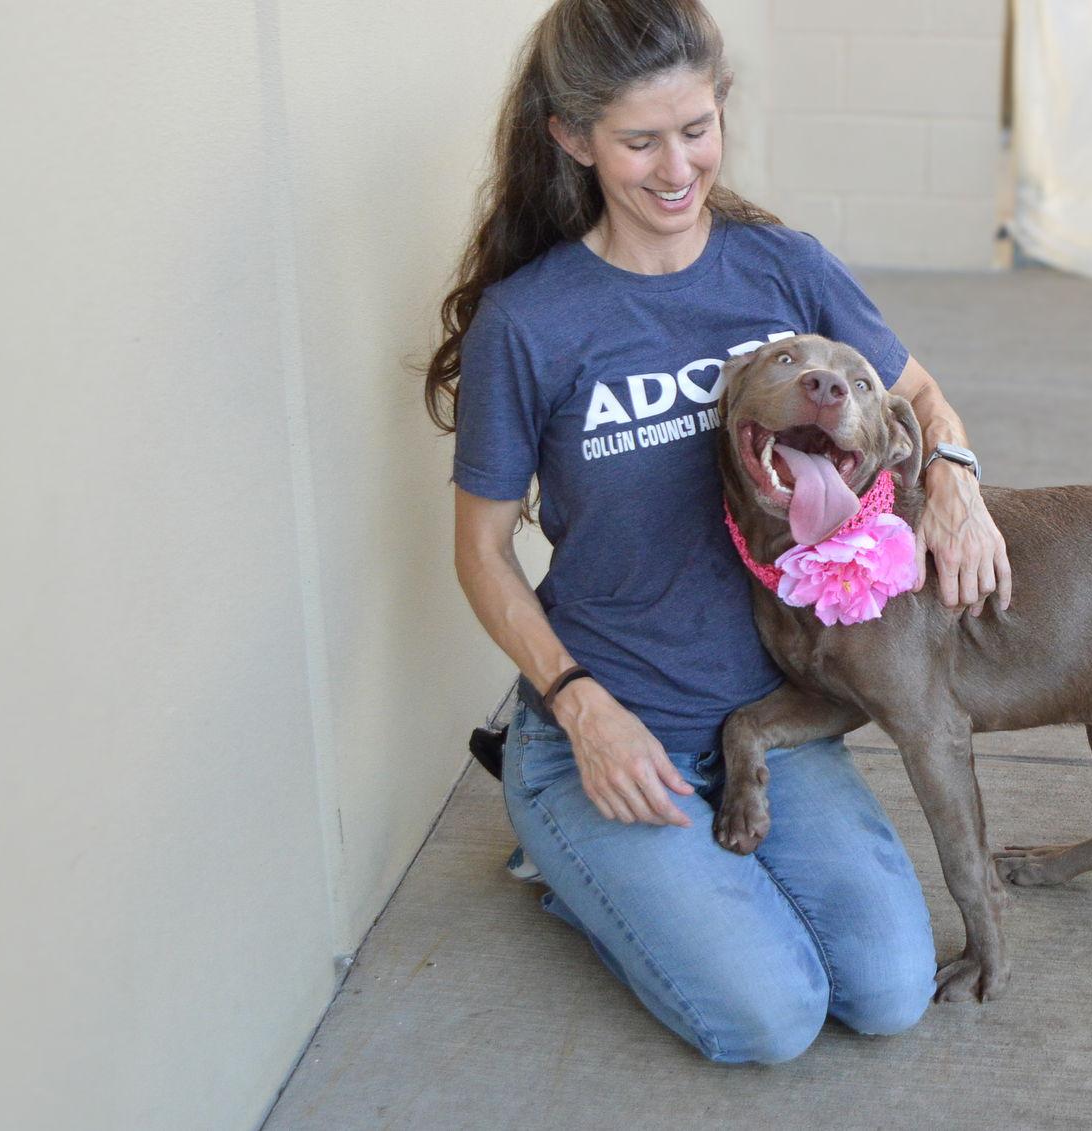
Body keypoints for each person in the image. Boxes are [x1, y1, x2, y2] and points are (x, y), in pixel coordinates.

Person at [424, 0, 1011, 1064]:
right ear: (572, 138)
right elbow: (480, 552)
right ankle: (567, 859)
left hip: (773, 722)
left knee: (889, 991)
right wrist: (576, 704)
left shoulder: (781, 266)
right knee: (769, 1020)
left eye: (694, 128)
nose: (673, 166)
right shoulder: (533, 322)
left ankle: (667, 883)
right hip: (611, 727)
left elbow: (921, 400)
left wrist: (958, 479)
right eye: (637, 140)